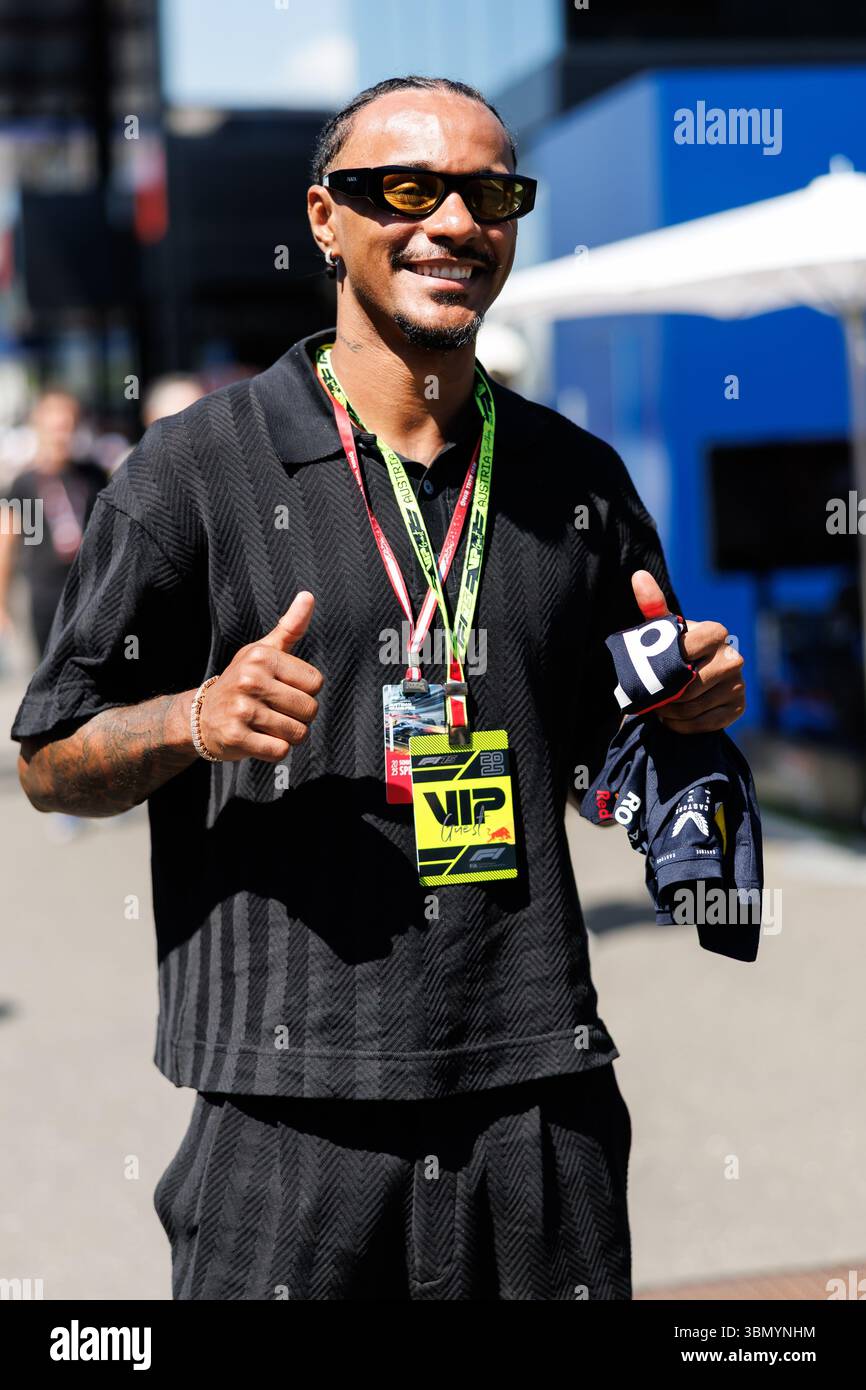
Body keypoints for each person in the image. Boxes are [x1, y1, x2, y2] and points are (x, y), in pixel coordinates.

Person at [11, 76, 746, 1301]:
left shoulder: (577, 479)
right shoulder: (192, 473)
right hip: (287, 1117)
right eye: (404, 188)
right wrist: (193, 718)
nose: (452, 221)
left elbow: (605, 759)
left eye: (488, 193)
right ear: (323, 216)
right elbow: (47, 755)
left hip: (537, 1102)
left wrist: (682, 709)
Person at [0, 390, 107, 656]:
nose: (61, 435)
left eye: (67, 426)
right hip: (45, 594)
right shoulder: (24, 483)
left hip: (88, 590)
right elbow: (7, 540)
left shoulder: (92, 475)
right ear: (38, 428)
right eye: (54, 428)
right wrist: (2, 600)